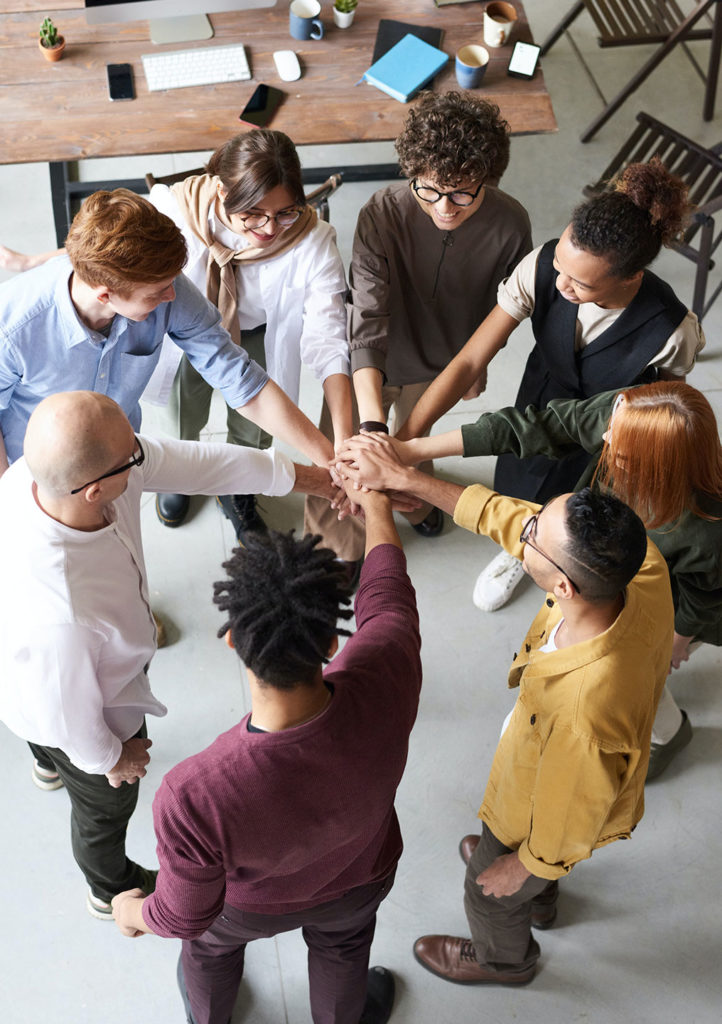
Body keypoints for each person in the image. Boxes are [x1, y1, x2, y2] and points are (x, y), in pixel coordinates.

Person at [335, 432, 673, 986]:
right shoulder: (639, 564)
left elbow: (571, 817)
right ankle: (542, 898)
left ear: (561, 584)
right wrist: (409, 480)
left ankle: (505, 959)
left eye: (535, 533)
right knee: (517, 862)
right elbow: (511, 520)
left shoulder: (584, 715)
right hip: (552, 771)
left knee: (486, 890)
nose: (524, 528)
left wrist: (524, 865)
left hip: (543, 804)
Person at [0, 391, 335, 919]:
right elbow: (63, 714)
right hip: (75, 708)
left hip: (44, 673)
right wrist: (112, 758)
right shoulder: (62, 613)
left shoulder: (41, 475)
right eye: (131, 457)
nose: (143, 455)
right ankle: (107, 886)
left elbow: (199, 464)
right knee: (102, 809)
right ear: (92, 491)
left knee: (51, 744)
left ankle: (46, 764)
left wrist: (317, 479)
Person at [111, 480, 422, 1024]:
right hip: (360, 877)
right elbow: (387, 595)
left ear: (232, 639)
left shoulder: (194, 793)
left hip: (244, 911)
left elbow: (185, 914)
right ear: (331, 643)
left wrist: (133, 911)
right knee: (343, 950)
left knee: (209, 951)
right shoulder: (387, 668)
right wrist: (376, 505)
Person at [396, 159, 705, 609]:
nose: (561, 285)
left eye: (580, 283)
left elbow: (664, 409)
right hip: (541, 396)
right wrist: (405, 441)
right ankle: (519, 549)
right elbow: (468, 361)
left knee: (578, 514)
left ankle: (556, 564)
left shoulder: (673, 331)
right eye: (560, 264)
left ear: (631, 278)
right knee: (519, 478)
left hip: (606, 434)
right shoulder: (542, 268)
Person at [381, 380, 722, 777]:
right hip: (605, 583)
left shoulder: (706, 530)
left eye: (622, 449)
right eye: (612, 424)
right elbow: (537, 427)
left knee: (642, 676)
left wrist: (676, 642)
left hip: (671, 610)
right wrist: (410, 452)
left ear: (656, 467)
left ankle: (667, 733)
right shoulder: (626, 413)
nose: (605, 436)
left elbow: (705, 598)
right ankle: (668, 725)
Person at [0, 187, 334, 480]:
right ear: (105, 295)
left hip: (121, 459)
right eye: (157, 292)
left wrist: (329, 460)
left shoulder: (164, 283)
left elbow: (237, 375)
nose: (171, 296)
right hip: (30, 471)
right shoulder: (13, 327)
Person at [146, 129, 363, 569]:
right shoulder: (175, 209)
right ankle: (181, 473)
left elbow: (327, 336)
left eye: (285, 213)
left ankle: (237, 487)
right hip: (186, 329)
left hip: (258, 333)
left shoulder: (313, 240)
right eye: (253, 214)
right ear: (223, 191)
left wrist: (341, 442)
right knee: (182, 410)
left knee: (255, 429)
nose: (268, 229)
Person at [347, 90, 532, 537]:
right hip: (373, 362)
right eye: (427, 189)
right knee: (350, 453)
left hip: (444, 365)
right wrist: (373, 428)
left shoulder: (511, 226)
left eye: (462, 193)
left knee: (413, 446)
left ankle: (415, 507)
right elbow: (367, 320)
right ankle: (342, 542)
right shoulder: (381, 214)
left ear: (487, 178)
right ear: (412, 171)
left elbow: (501, 315)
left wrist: (476, 366)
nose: (444, 207)